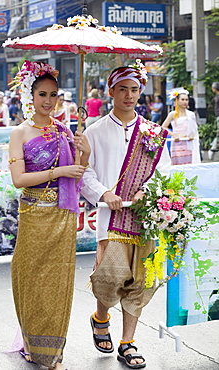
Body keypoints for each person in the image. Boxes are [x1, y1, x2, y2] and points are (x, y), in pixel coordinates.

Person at [81, 60, 171, 369]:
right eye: (123, 89)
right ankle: (100, 317)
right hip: (111, 217)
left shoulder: (152, 133)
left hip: (144, 218)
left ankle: (128, 343)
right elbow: (84, 174)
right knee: (110, 277)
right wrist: (104, 193)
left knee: (141, 281)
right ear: (110, 91)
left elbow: (163, 170)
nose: (129, 96)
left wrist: (148, 191)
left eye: (134, 90)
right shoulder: (94, 132)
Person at [8, 60, 90, 370]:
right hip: (34, 214)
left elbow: (78, 174)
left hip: (62, 215)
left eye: (53, 95)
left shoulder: (65, 131)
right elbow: (19, 179)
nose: (48, 101)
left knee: (58, 281)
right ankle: (32, 344)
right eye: (42, 94)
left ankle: (52, 353)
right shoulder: (20, 132)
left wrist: (85, 152)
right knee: (30, 278)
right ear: (31, 96)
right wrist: (58, 170)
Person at [162, 88, 201, 165]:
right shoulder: (172, 114)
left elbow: (194, 129)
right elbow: (163, 127)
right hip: (177, 142)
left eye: (186, 100)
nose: (185, 102)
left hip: (188, 143)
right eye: (182, 99)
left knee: (189, 165)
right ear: (177, 100)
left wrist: (192, 134)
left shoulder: (191, 114)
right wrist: (173, 134)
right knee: (177, 166)